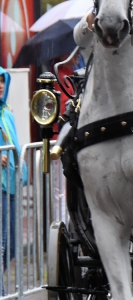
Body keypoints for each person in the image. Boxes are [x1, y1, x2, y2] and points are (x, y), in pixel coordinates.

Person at [0, 67, 26, 296]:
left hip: (11, 186)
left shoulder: (7, 114)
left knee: (11, 247)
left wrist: (23, 171)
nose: (0, 85)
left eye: (1, 81)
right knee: (1, 243)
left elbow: (16, 147)